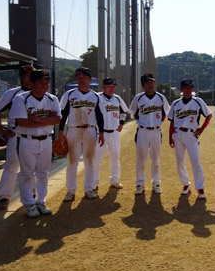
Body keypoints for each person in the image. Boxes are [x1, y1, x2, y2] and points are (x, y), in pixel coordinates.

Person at [10, 70, 61, 217]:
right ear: (31, 84)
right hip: (27, 140)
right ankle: (29, 204)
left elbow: (57, 120)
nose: (44, 86)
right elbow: (22, 122)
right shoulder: (21, 99)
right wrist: (47, 119)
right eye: (40, 83)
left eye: (46, 82)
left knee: (43, 173)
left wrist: (37, 119)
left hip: (46, 140)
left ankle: (40, 201)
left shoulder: (52, 99)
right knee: (27, 173)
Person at [59, 67, 105, 201]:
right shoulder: (69, 94)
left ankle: (88, 189)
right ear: (76, 79)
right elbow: (63, 113)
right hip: (73, 129)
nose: (81, 79)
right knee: (72, 161)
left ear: (90, 80)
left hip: (90, 129)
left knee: (89, 160)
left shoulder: (95, 96)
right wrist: (61, 131)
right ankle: (70, 190)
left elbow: (99, 115)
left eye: (84, 77)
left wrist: (101, 132)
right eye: (79, 77)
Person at [0, 65, 34, 209]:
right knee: (11, 166)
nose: (30, 77)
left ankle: (32, 194)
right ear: (21, 77)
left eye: (32, 75)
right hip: (16, 134)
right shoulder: (13, 93)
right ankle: (4, 197)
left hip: (34, 135)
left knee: (32, 167)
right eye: (27, 75)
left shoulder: (39, 93)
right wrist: (1, 129)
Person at [168, 79, 212, 199]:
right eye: (186, 87)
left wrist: (201, 129)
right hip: (178, 134)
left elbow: (209, 115)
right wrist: (170, 137)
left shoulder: (198, 101)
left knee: (195, 162)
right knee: (180, 162)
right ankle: (186, 184)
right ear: (181, 89)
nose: (188, 90)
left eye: (191, 87)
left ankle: (200, 187)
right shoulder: (176, 103)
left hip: (191, 134)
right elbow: (172, 122)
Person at [129, 73, 170, 195]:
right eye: (147, 82)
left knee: (155, 159)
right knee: (141, 159)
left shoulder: (161, 97)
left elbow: (164, 113)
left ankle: (156, 182)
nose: (150, 84)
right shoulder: (138, 98)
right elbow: (134, 113)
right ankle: (139, 184)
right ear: (143, 85)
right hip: (142, 131)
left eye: (151, 81)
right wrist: (142, 121)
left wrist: (159, 123)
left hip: (156, 131)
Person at [92, 78, 128, 190]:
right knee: (96, 159)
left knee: (115, 157)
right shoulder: (97, 97)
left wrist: (121, 122)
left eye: (113, 86)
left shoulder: (117, 98)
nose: (111, 88)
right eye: (109, 86)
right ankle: (94, 182)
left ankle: (115, 180)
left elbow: (123, 111)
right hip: (99, 133)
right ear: (103, 86)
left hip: (114, 133)